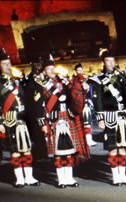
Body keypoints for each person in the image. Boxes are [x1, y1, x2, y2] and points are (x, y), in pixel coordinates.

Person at [0, 50, 40, 188]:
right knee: (15, 150)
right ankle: (19, 178)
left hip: (22, 118)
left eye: (9, 64)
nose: (8, 66)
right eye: (4, 64)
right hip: (9, 120)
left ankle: (29, 177)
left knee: (26, 148)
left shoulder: (16, 81)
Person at [36, 54, 90, 187]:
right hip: (54, 118)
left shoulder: (63, 82)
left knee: (69, 150)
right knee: (58, 152)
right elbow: (39, 106)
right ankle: (61, 179)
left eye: (52, 69)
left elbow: (74, 94)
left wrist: (83, 86)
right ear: (44, 71)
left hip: (67, 116)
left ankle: (69, 178)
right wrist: (42, 122)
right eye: (48, 69)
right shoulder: (41, 85)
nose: (52, 71)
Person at [89, 49, 126, 185]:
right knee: (112, 148)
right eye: (108, 61)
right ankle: (115, 176)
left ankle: (123, 174)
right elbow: (97, 101)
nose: (111, 63)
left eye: (112, 60)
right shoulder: (98, 80)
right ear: (103, 62)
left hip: (122, 115)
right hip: (109, 116)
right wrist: (100, 118)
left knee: (122, 146)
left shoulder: (121, 78)